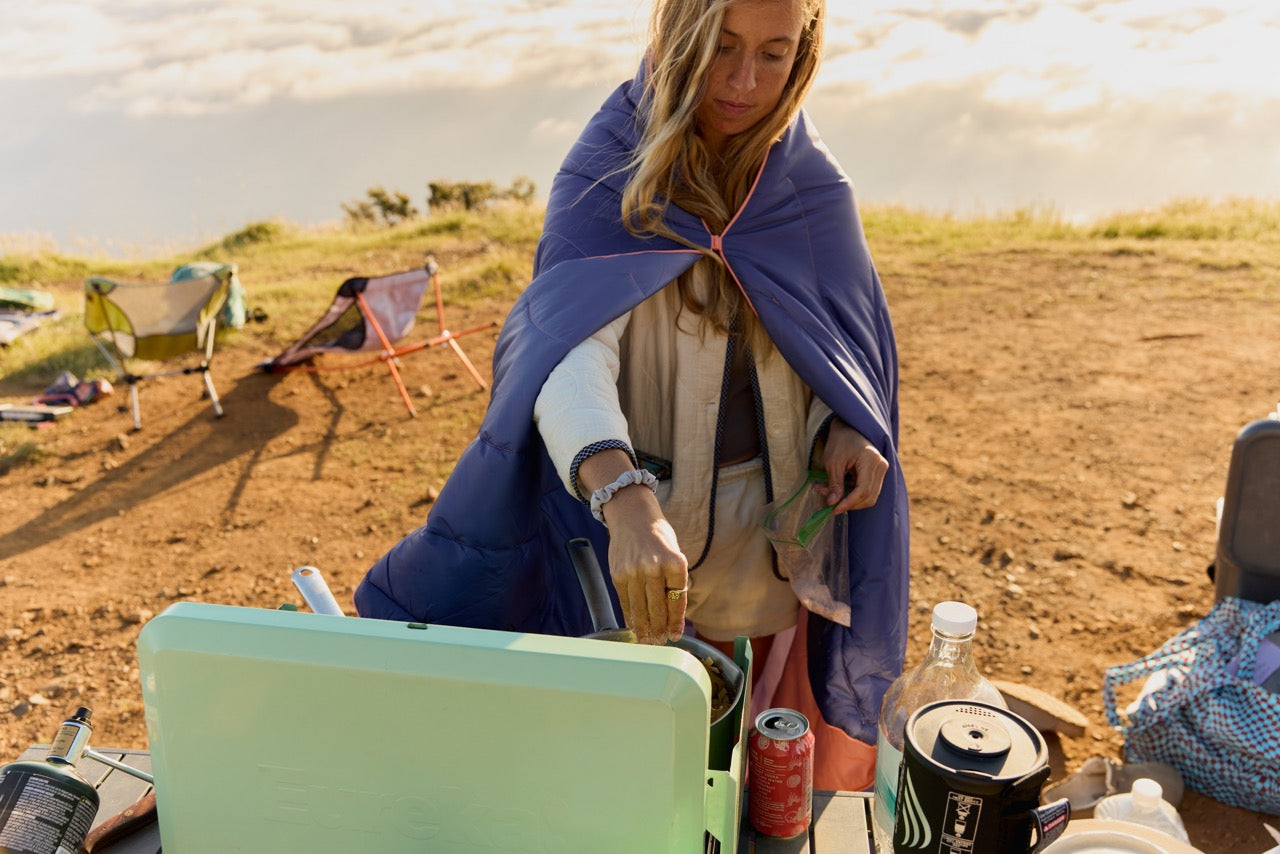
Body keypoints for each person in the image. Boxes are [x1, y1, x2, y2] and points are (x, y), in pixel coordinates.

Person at [355, 0, 908, 791]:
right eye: (721, 48)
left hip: (768, 545)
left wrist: (843, 430)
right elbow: (567, 355)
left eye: (774, 53)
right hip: (639, 536)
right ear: (679, 34)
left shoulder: (807, 183)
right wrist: (624, 496)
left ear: (805, 53)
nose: (744, 82)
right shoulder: (608, 168)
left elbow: (835, 347)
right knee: (621, 766)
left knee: (754, 758)